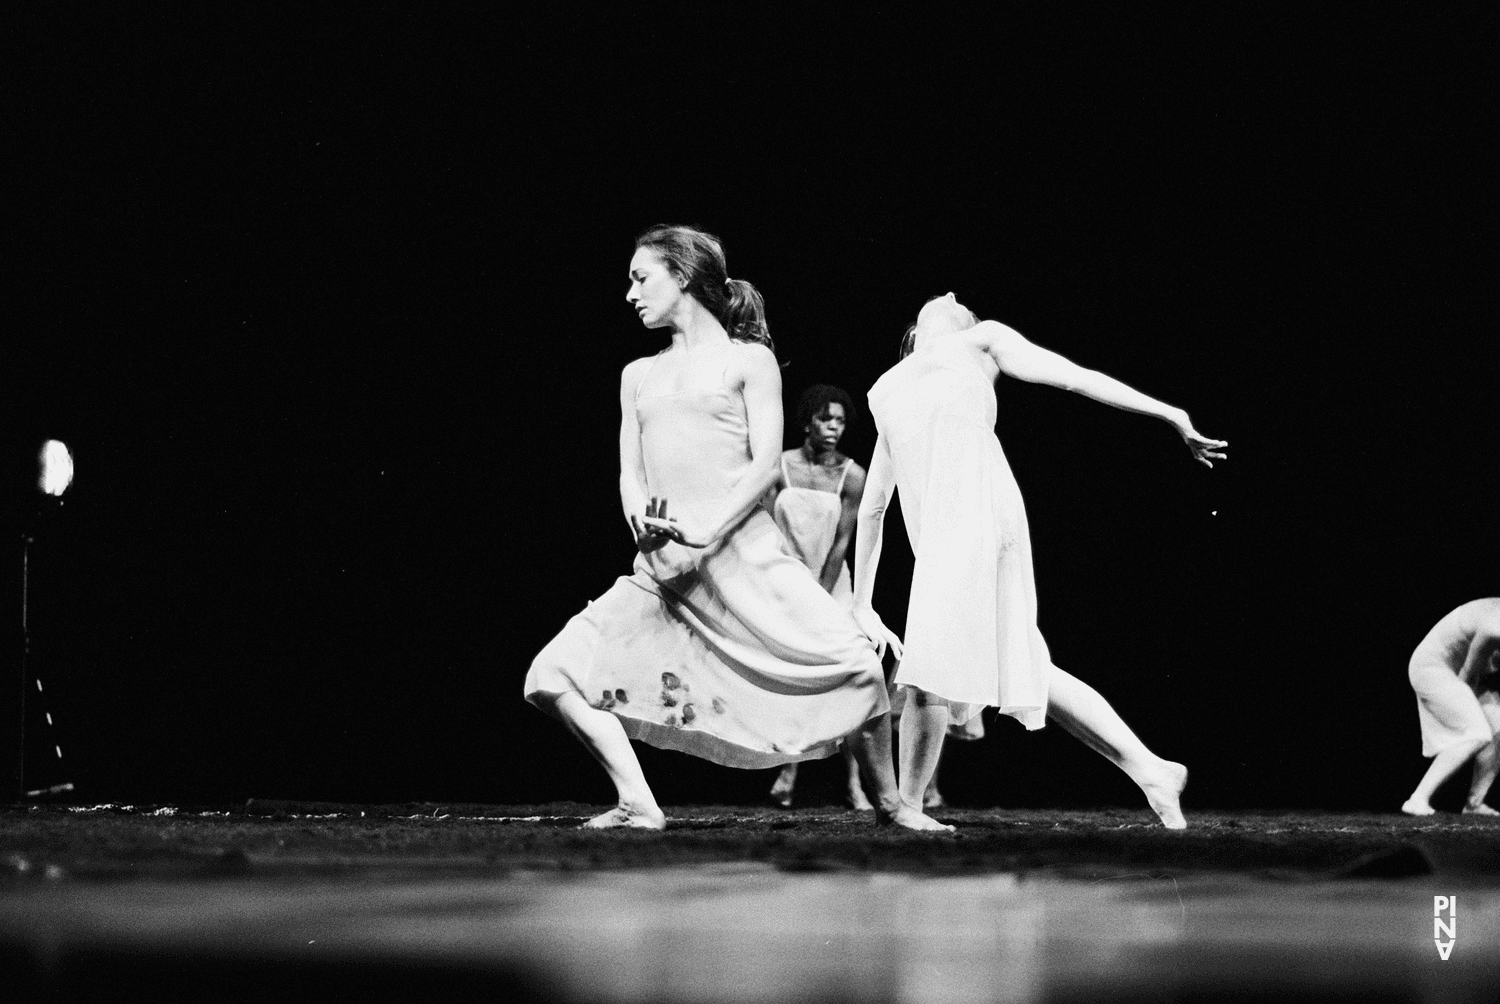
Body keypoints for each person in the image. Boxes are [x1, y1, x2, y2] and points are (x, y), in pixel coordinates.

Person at [523, 226, 950, 832]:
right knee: (549, 677)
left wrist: (707, 531)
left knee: (857, 666)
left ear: (684, 277)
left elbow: (762, 465)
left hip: (744, 558)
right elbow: (629, 471)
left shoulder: (747, 360)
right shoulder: (638, 375)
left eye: (641, 278)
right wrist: (642, 526)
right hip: (665, 571)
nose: (630, 293)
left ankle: (891, 804)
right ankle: (637, 801)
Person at [852, 293, 1228, 830]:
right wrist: (863, 601)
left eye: (965, 307)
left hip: (982, 516)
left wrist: (1168, 412)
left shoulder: (979, 342)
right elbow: (873, 507)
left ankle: (907, 807)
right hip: (945, 535)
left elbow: (1074, 376)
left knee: (930, 663)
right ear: (912, 335)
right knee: (1025, 665)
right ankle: (1152, 770)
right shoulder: (886, 388)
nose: (952, 298)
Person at [766, 384, 978, 810]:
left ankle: (857, 784)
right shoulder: (779, 467)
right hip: (782, 581)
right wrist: (787, 586)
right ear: (807, 421)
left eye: (840, 421)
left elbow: (844, 541)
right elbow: (767, 530)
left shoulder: (853, 475)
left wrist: (820, 597)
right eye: (825, 419)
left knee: (851, 680)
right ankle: (786, 770)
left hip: (832, 588)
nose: (833, 428)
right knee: (786, 677)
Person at [1401, 598, 1500, 816]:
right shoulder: (1495, 627)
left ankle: (1474, 803)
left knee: (1498, 726)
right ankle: (1417, 799)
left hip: (1456, 672)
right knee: (1476, 733)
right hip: (1431, 668)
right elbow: (1468, 675)